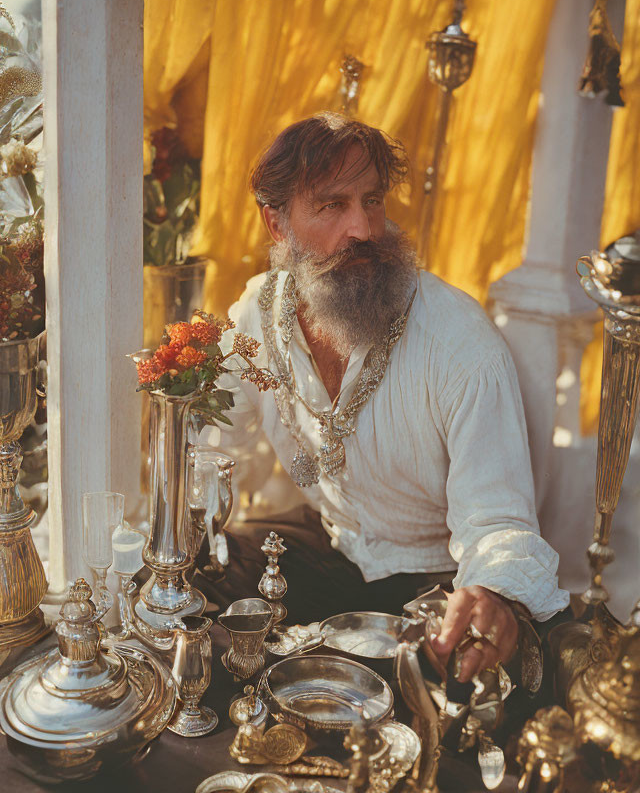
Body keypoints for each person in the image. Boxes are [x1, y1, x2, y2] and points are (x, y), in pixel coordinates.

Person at [195, 112, 569, 684]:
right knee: (188, 587)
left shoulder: (460, 345)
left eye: (372, 200)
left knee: (448, 685)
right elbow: (213, 444)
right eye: (332, 206)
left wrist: (493, 593)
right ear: (277, 224)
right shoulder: (257, 316)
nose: (364, 229)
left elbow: (497, 520)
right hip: (328, 540)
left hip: (434, 576)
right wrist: (184, 522)